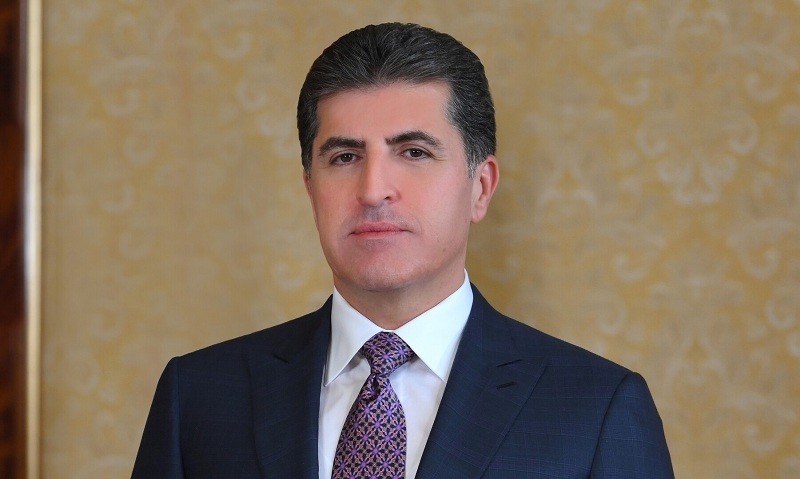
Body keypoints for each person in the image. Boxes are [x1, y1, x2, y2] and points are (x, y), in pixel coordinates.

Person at [132, 23, 674, 478]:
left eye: (414, 152)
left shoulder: (597, 409)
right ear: (310, 188)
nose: (373, 190)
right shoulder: (199, 397)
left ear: (481, 187)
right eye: (344, 157)